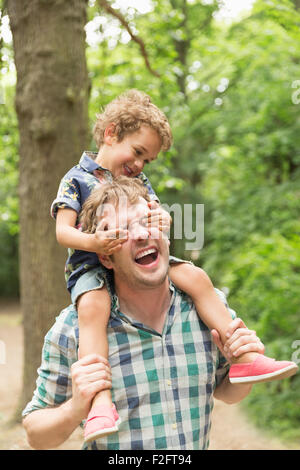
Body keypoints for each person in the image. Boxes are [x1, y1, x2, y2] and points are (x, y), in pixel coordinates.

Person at [50, 90, 298, 442]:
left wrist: (161, 220)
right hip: (92, 266)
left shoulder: (137, 183)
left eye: (147, 160)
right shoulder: (76, 179)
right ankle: (100, 403)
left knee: (195, 276)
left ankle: (242, 354)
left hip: (135, 259)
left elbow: (159, 213)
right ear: (110, 132)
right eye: (137, 152)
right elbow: (63, 232)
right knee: (93, 307)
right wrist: (95, 243)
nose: (139, 165)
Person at [23, 177, 268, 450]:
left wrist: (240, 366)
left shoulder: (209, 309)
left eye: (147, 222)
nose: (141, 234)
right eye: (121, 230)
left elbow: (227, 393)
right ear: (105, 257)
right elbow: (36, 435)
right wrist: (76, 408)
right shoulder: (73, 328)